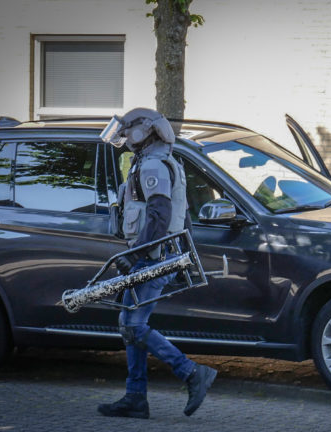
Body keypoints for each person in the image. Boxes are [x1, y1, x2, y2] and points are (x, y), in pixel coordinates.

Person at [97, 108, 217, 419]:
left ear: (143, 131)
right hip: (159, 256)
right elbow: (183, 215)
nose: (124, 137)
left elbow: (161, 215)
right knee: (128, 325)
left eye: (128, 130)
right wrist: (184, 262)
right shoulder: (158, 162)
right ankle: (135, 397)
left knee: (133, 325)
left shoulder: (154, 166)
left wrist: (135, 256)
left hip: (152, 258)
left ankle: (191, 373)